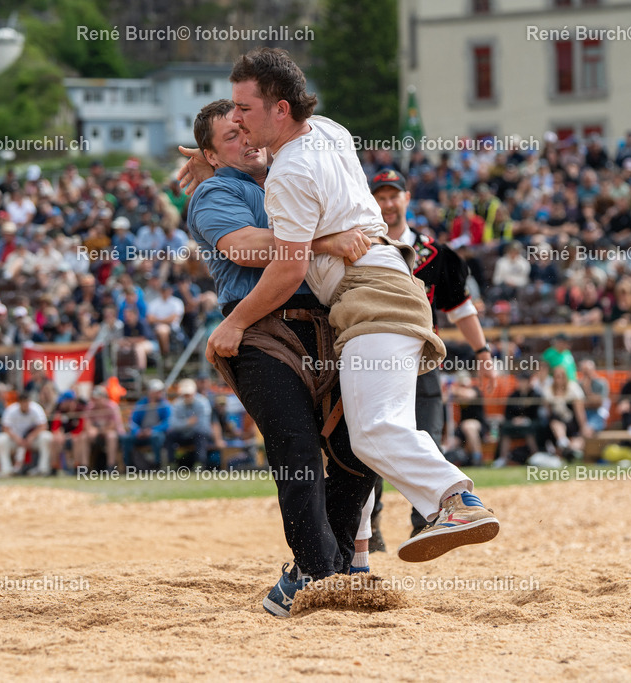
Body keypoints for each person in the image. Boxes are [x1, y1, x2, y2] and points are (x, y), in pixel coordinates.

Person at [182, 49, 498, 576]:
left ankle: (451, 502)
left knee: (370, 434)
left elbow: (286, 264)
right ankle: (343, 564)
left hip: (361, 298)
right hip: (373, 292)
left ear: (279, 110)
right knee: (360, 437)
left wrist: (233, 323)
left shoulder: (284, 176)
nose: (238, 122)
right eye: (228, 128)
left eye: (244, 112)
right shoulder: (326, 130)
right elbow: (249, 242)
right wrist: (218, 159)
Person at [185, 98, 380, 614]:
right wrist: (325, 241)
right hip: (256, 330)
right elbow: (247, 247)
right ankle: (320, 573)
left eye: (246, 128)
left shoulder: (294, 167)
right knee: (295, 447)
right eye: (231, 137)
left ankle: (321, 570)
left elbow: (319, 126)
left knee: (360, 444)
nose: (245, 140)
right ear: (211, 153)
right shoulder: (215, 189)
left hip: (327, 323)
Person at [365, 167, 498, 538]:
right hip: (372, 361)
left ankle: (426, 523)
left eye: (394, 196)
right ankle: (369, 526)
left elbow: (462, 310)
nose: (388, 204)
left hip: (422, 362)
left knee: (428, 436)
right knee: (369, 441)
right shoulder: (361, 247)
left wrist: (483, 353)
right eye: (380, 197)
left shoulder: (438, 254)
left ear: (407, 198)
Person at [0, 391, 53, 476]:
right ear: (19, 403)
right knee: (1, 440)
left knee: (47, 437)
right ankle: (6, 470)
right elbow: (5, 428)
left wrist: (32, 436)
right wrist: (17, 438)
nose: (25, 405)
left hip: (32, 440)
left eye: (27, 402)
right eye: (23, 402)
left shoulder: (36, 408)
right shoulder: (11, 410)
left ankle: (43, 469)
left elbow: (43, 426)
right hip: (15, 440)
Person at [542, 365, 592, 458]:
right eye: (556, 376)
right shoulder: (549, 390)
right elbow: (548, 411)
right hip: (556, 424)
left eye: (561, 376)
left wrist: (583, 426)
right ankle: (563, 443)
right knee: (555, 422)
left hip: (572, 421)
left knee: (580, 438)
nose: (559, 379)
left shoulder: (573, 388)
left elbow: (579, 411)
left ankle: (568, 449)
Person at [122, 379, 170, 469]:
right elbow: (132, 421)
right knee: (126, 439)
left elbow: (168, 422)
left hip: (155, 433)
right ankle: (129, 466)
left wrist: (153, 430)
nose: (160, 394)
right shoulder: (141, 404)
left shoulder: (164, 405)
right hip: (141, 433)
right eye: (157, 392)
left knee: (156, 437)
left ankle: (157, 465)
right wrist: (137, 431)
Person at [496, 372, 542, 463]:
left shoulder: (535, 395)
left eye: (524, 381)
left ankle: (536, 456)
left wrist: (525, 418)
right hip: (515, 423)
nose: (521, 383)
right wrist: (515, 419)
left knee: (529, 430)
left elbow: (536, 413)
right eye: (520, 381)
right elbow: (508, 414)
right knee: (505, 429)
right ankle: (503, 458)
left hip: (531, 423)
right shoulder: (513, 395)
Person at [164, 379, 212, 468]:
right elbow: (173, 424)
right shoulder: (177, 403)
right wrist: (188, 423)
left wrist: (183, 425)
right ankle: (171, 463)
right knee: (170, 434)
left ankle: (200, 463)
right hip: (184, 434)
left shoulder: (202, 402)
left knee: (201, 434)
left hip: (197, 434)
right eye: (185, 394)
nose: (187, 396)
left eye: (189, 394)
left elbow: (202, 425)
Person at [84, 385, 125, 470]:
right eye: (94, 398)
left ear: (104, 397)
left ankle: (111, 466)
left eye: (98, 398)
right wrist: (91, 430)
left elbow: (113, 425)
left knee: (111, 436)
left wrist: (99, 430)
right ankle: (84, 467)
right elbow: (87, 423)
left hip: (114, 433)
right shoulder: (90, 407)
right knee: (83, 437)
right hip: (98, 434)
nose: (96, 401)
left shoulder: (112, 406)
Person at [49, 390, 89, 473]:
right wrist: (59, 434)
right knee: (54, 440)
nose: (61, 404)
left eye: (63, 402)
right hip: (64, 437)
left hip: (77, 437)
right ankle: (54, 468)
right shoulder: (59, 412)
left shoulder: (80, 411)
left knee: (78, 440)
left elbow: (81, 428)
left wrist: (70, 435)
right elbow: (55, 428)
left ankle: (77, 467)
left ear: (70, 402)